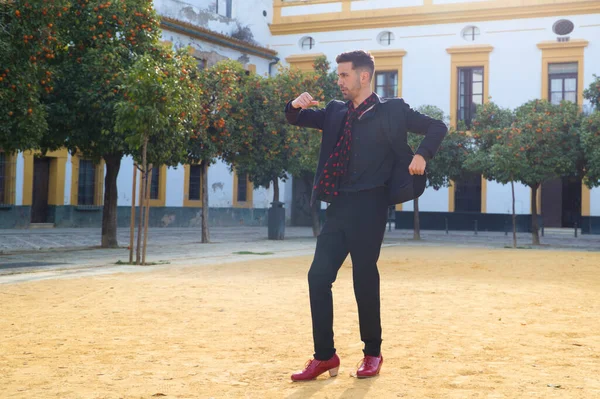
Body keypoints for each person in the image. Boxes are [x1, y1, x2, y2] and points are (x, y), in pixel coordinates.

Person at [285, 50, 447, 381]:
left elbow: (437, 127)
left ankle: (372, 352)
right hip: (339, 206)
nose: (339, 80)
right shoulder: (334, 112)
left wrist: (422, 155)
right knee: (318, 277)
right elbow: (296, 118)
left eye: (344, 75)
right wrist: (295, 105)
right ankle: (325, 356)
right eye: (338, 75)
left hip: (372, 206)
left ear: (363, 76)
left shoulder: (393, 111)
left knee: (363, 277)